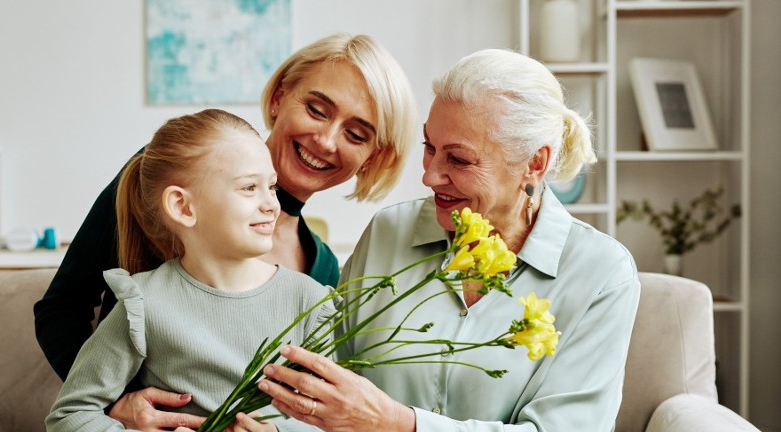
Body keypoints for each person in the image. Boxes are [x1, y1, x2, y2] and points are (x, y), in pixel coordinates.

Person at [33, 33, 417, 430]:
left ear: (372, 157)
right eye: (317, 109)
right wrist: (114, 408)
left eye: (356, 135)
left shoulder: (319, 276)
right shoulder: (174, 180)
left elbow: (311, 407)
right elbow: (61, 309)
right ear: (278, 99)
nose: (325, 140)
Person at [253, 48, 641, 432]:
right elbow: (315, 388)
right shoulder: (389, 232)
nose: (430, 177)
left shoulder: (602, 274)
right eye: (429, 148)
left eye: (459, 160)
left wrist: (398, 424)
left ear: (534, 164)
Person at [45, 108, 334, 432]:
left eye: (272, 187)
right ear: (183, 207)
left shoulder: (309, 302)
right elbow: (70, 415)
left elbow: (331, 421)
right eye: (249, 188)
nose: (271, 204)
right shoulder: (143, 303)